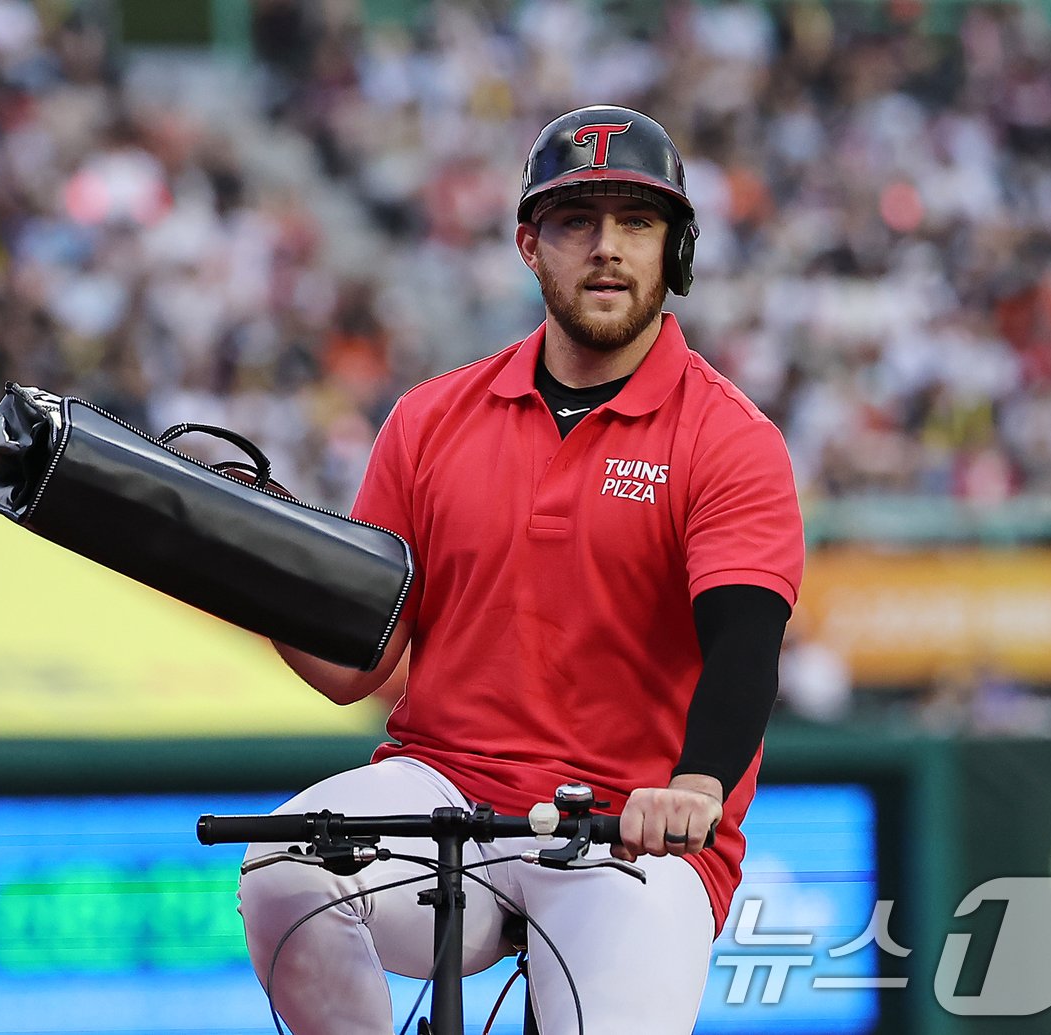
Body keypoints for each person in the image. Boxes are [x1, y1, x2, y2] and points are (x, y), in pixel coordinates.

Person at [238, 104, 805, 1034]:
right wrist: (237, 568)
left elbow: (745, 640)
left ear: (676, 250)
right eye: (577, 222)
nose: (608, 248)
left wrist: (697, 788)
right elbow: (353, 667)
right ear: (528, 244)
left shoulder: (729, 439)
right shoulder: (429, 418)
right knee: (284, 871)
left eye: (637, 222)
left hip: (634, 830)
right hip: (446, 790)